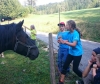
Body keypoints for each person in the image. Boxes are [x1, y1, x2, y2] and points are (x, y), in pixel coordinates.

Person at [58, 20, 83, 84]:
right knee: (65, 66)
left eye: (66, 25)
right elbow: (67, 40)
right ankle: (61, 82)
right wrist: (62, 41)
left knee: (75, 69)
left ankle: (83, 77)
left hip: (77, 54)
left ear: (70, 26)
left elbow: (74, 44)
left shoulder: (75, 34)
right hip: (71, 53)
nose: (65, 26)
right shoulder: (69, 33)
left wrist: (65, 43)